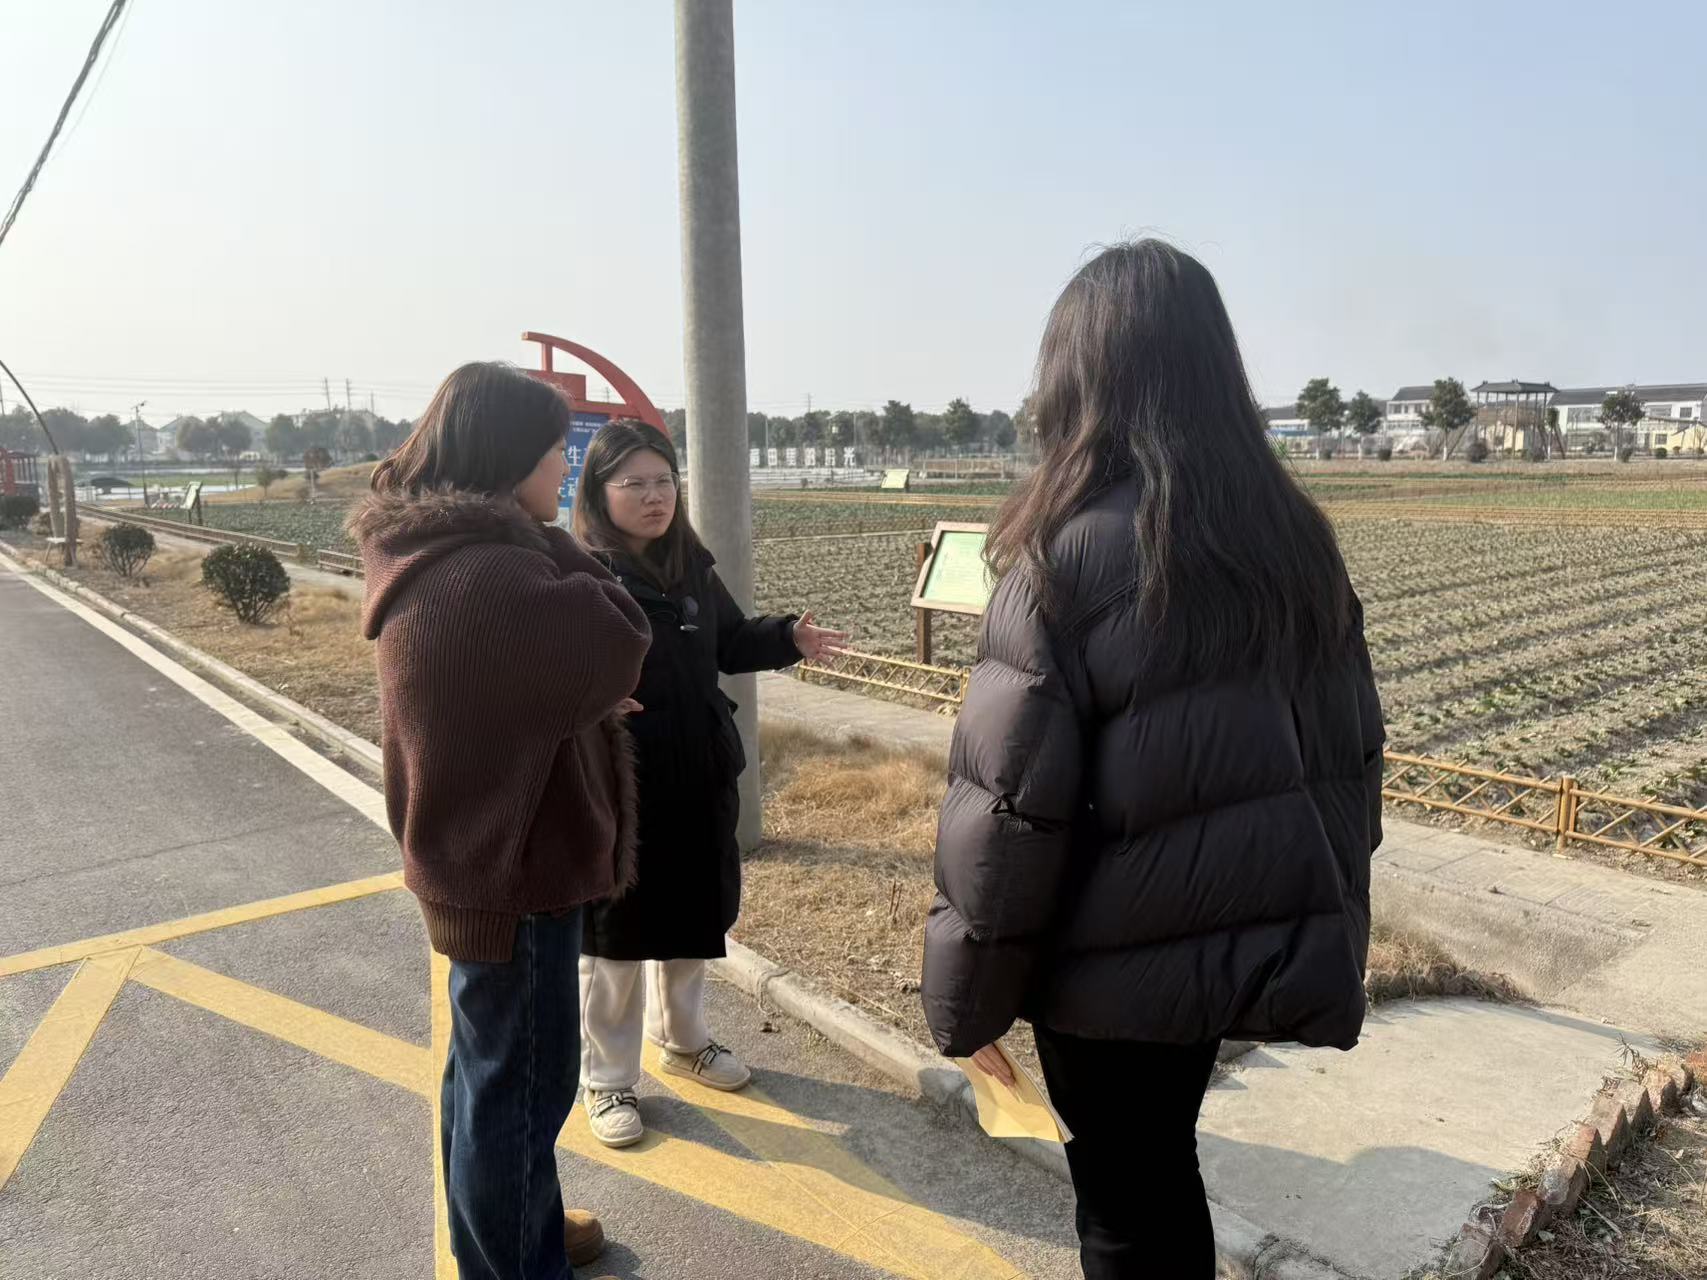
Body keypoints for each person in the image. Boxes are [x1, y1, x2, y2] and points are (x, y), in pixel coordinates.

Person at [921, 241, 1385, 1279]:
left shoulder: (1066, 558)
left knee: (1125, 1205)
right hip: (1218, 954)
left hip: (1103, 973)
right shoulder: (1294, 545)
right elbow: (1351, 760)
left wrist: (967, 1000)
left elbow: (1007, 811)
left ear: (1077, 379)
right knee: (1161, 1170)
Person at [350, 362, 651, 1279]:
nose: (565, 469)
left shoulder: (431, 553)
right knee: (516, 1091)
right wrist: (547, 538)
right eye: (555, 451)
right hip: (515, 870)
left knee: (485, 1074)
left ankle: (512, 1229)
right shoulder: (490, 570)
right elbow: (620, 634)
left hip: (474, 856)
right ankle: (514, 1259)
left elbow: (523, 685)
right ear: (507, 457)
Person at [571, 419, 847, 1148]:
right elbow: (550, 669)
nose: (654, 496)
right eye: (634, 483)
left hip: (697, 773)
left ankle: (683, 1040)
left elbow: (728, 639)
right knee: (616, 938)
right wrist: (590, 701)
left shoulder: (688, 563)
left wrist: (787, 638)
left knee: (693, 915)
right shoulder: (581, 574)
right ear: (599, 492)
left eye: (663, 481)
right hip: (623, 783)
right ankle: (607, 1079)